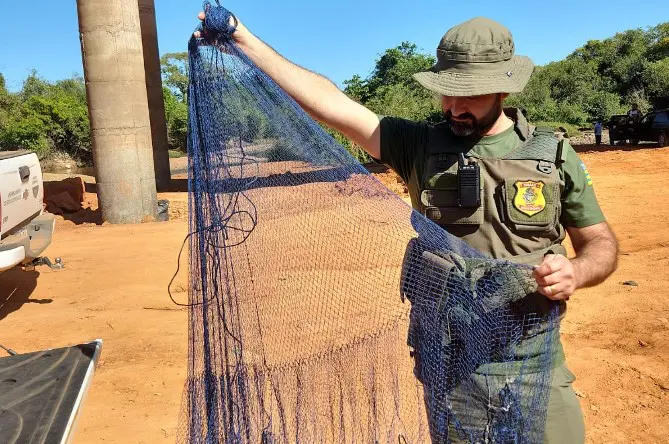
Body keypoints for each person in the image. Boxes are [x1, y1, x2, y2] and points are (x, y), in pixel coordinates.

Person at [196, 11, 619, 443]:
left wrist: (576, 272)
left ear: (504, 87)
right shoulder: (417, 145)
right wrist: (244, 40)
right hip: (453, 369)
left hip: (531, 363)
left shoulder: (553, 155)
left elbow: (600, 244)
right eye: (447, 93)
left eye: (469, 95)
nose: (454, 107)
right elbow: (331, 104)